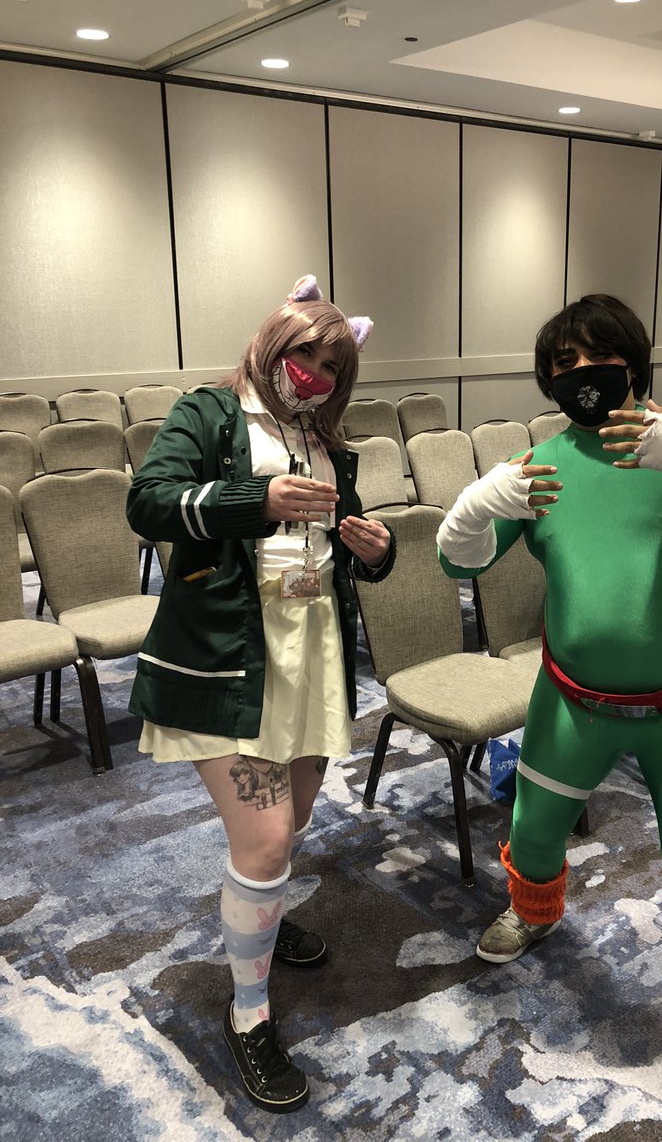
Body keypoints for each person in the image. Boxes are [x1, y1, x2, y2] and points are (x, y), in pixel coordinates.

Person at [436, 294, 662, 1085]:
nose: (582, 372)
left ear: (634, 359)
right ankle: (534, 912)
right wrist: (477, 504)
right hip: (575, 701)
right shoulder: (543, 464)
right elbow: (458, 562)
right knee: (533, 831)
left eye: (597, 354)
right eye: (563, 362)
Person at [127, 275, 395, 1113]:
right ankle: (248, 1014)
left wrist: (374, 549)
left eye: (333, 363)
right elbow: (147, 504)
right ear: (272, 341)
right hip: (226, 657)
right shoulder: (208, 414)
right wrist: (256, 499)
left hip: (310, 655)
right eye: (305, 352)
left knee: (295, 818)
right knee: (269, 839)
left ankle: (263, 919)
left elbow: (343, 542)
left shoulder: (325, 439)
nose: (316, 371)